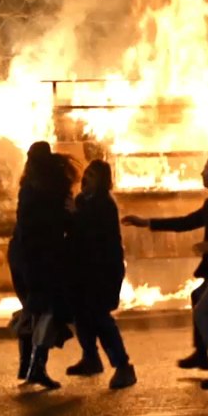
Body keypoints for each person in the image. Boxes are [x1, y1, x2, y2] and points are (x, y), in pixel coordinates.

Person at [121, 153, 208, 390]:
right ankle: (201, 353)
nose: (202, 173)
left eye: (206, 168)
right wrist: (147, 223)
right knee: (197, 297)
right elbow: (184, 222)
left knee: (204, 311)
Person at [8, 142, 77, 390]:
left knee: (34, 309)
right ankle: (36, 367)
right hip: (44, 258)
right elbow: (63, 221)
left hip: (22, 255)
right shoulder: (55, 187)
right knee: (48, 311)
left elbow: (25, 225)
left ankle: (27, 365)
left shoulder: (27, 188)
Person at [65, 159, 137, 390]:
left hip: (103, 269)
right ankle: (91, 358)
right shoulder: (82, 201)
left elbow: (93, 234)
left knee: (100, 317)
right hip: (82, 268)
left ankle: (123, 366)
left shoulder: (105, 204)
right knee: (81, 314)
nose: (87, 178)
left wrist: (75, 214)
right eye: (87, 174)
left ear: (103, 181)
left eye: (92, 176)